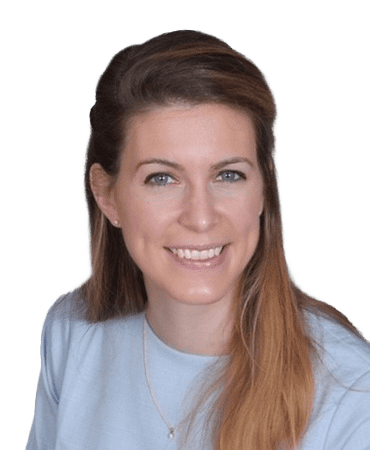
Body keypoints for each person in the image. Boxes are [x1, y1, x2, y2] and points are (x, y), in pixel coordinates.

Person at [25, 30, 370, 450]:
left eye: (228, 175)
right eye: (162, 179)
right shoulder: (74, 332)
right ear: (108, 196)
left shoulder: (352, 391)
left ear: (263, 189)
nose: (201, 217)